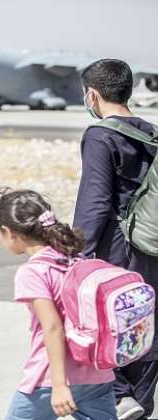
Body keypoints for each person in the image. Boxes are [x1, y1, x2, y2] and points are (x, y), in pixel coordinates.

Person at [0, 188, 116, 420]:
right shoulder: (77, 259)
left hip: (49, 379)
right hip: (97, 374)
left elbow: (53, 328)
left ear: (9, 232)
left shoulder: (33, 272)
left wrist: (59, 385)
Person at [73, 58, 158, 420]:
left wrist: (78, 254)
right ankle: (139, 401)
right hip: (151, 246)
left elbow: (94, 201)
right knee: (146, 323)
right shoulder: (152, 133)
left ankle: (121, 400)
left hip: (117, 250)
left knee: (111, 323)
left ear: (92, 94)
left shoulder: (101, 135)